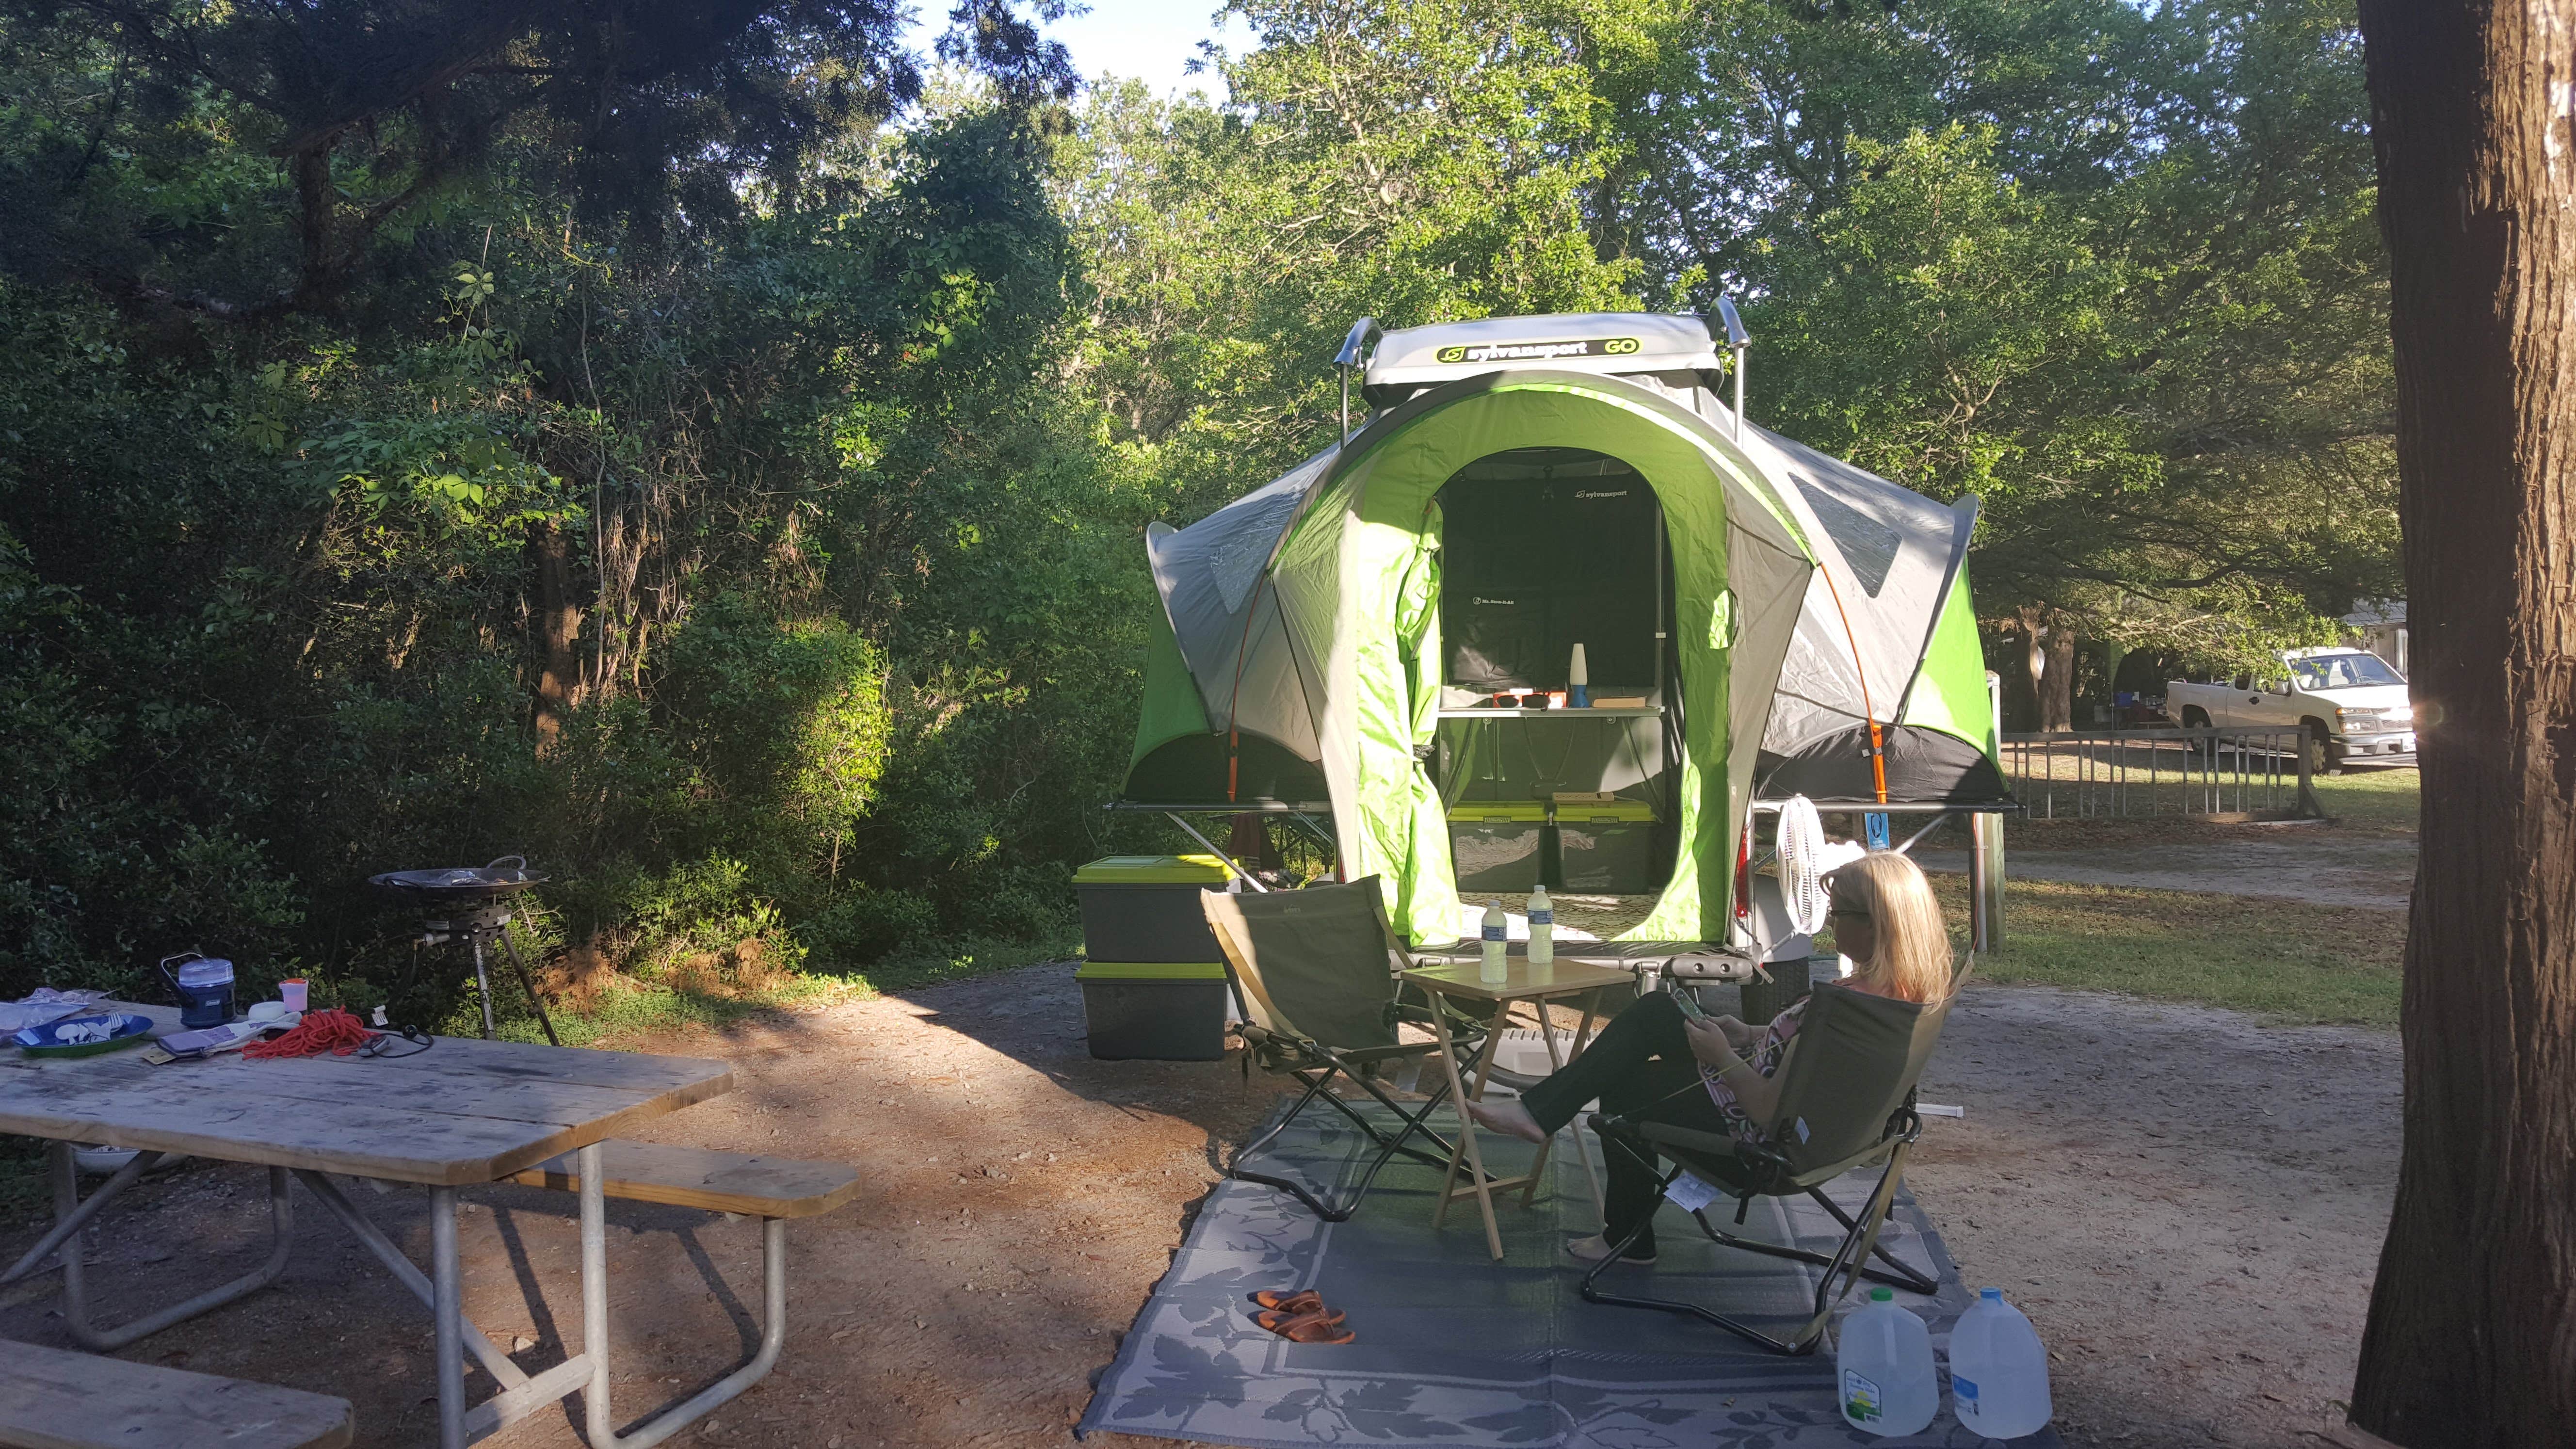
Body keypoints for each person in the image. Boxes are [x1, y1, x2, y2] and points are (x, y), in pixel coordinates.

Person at [1464, 851, 1957, 1264]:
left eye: (1838, 914)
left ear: (1874, 925)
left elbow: (1766, 1107)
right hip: (1816, 1128)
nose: (1829, 925)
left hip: (1761, 1143)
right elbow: (1811, 1058)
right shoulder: (1900, 997)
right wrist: (1748, 1032)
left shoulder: (1844, 1010)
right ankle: (1541, 1116)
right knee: (1660, 1010)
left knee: (1623, 1090)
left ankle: (1623, 1234)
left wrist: (1722, 1057)